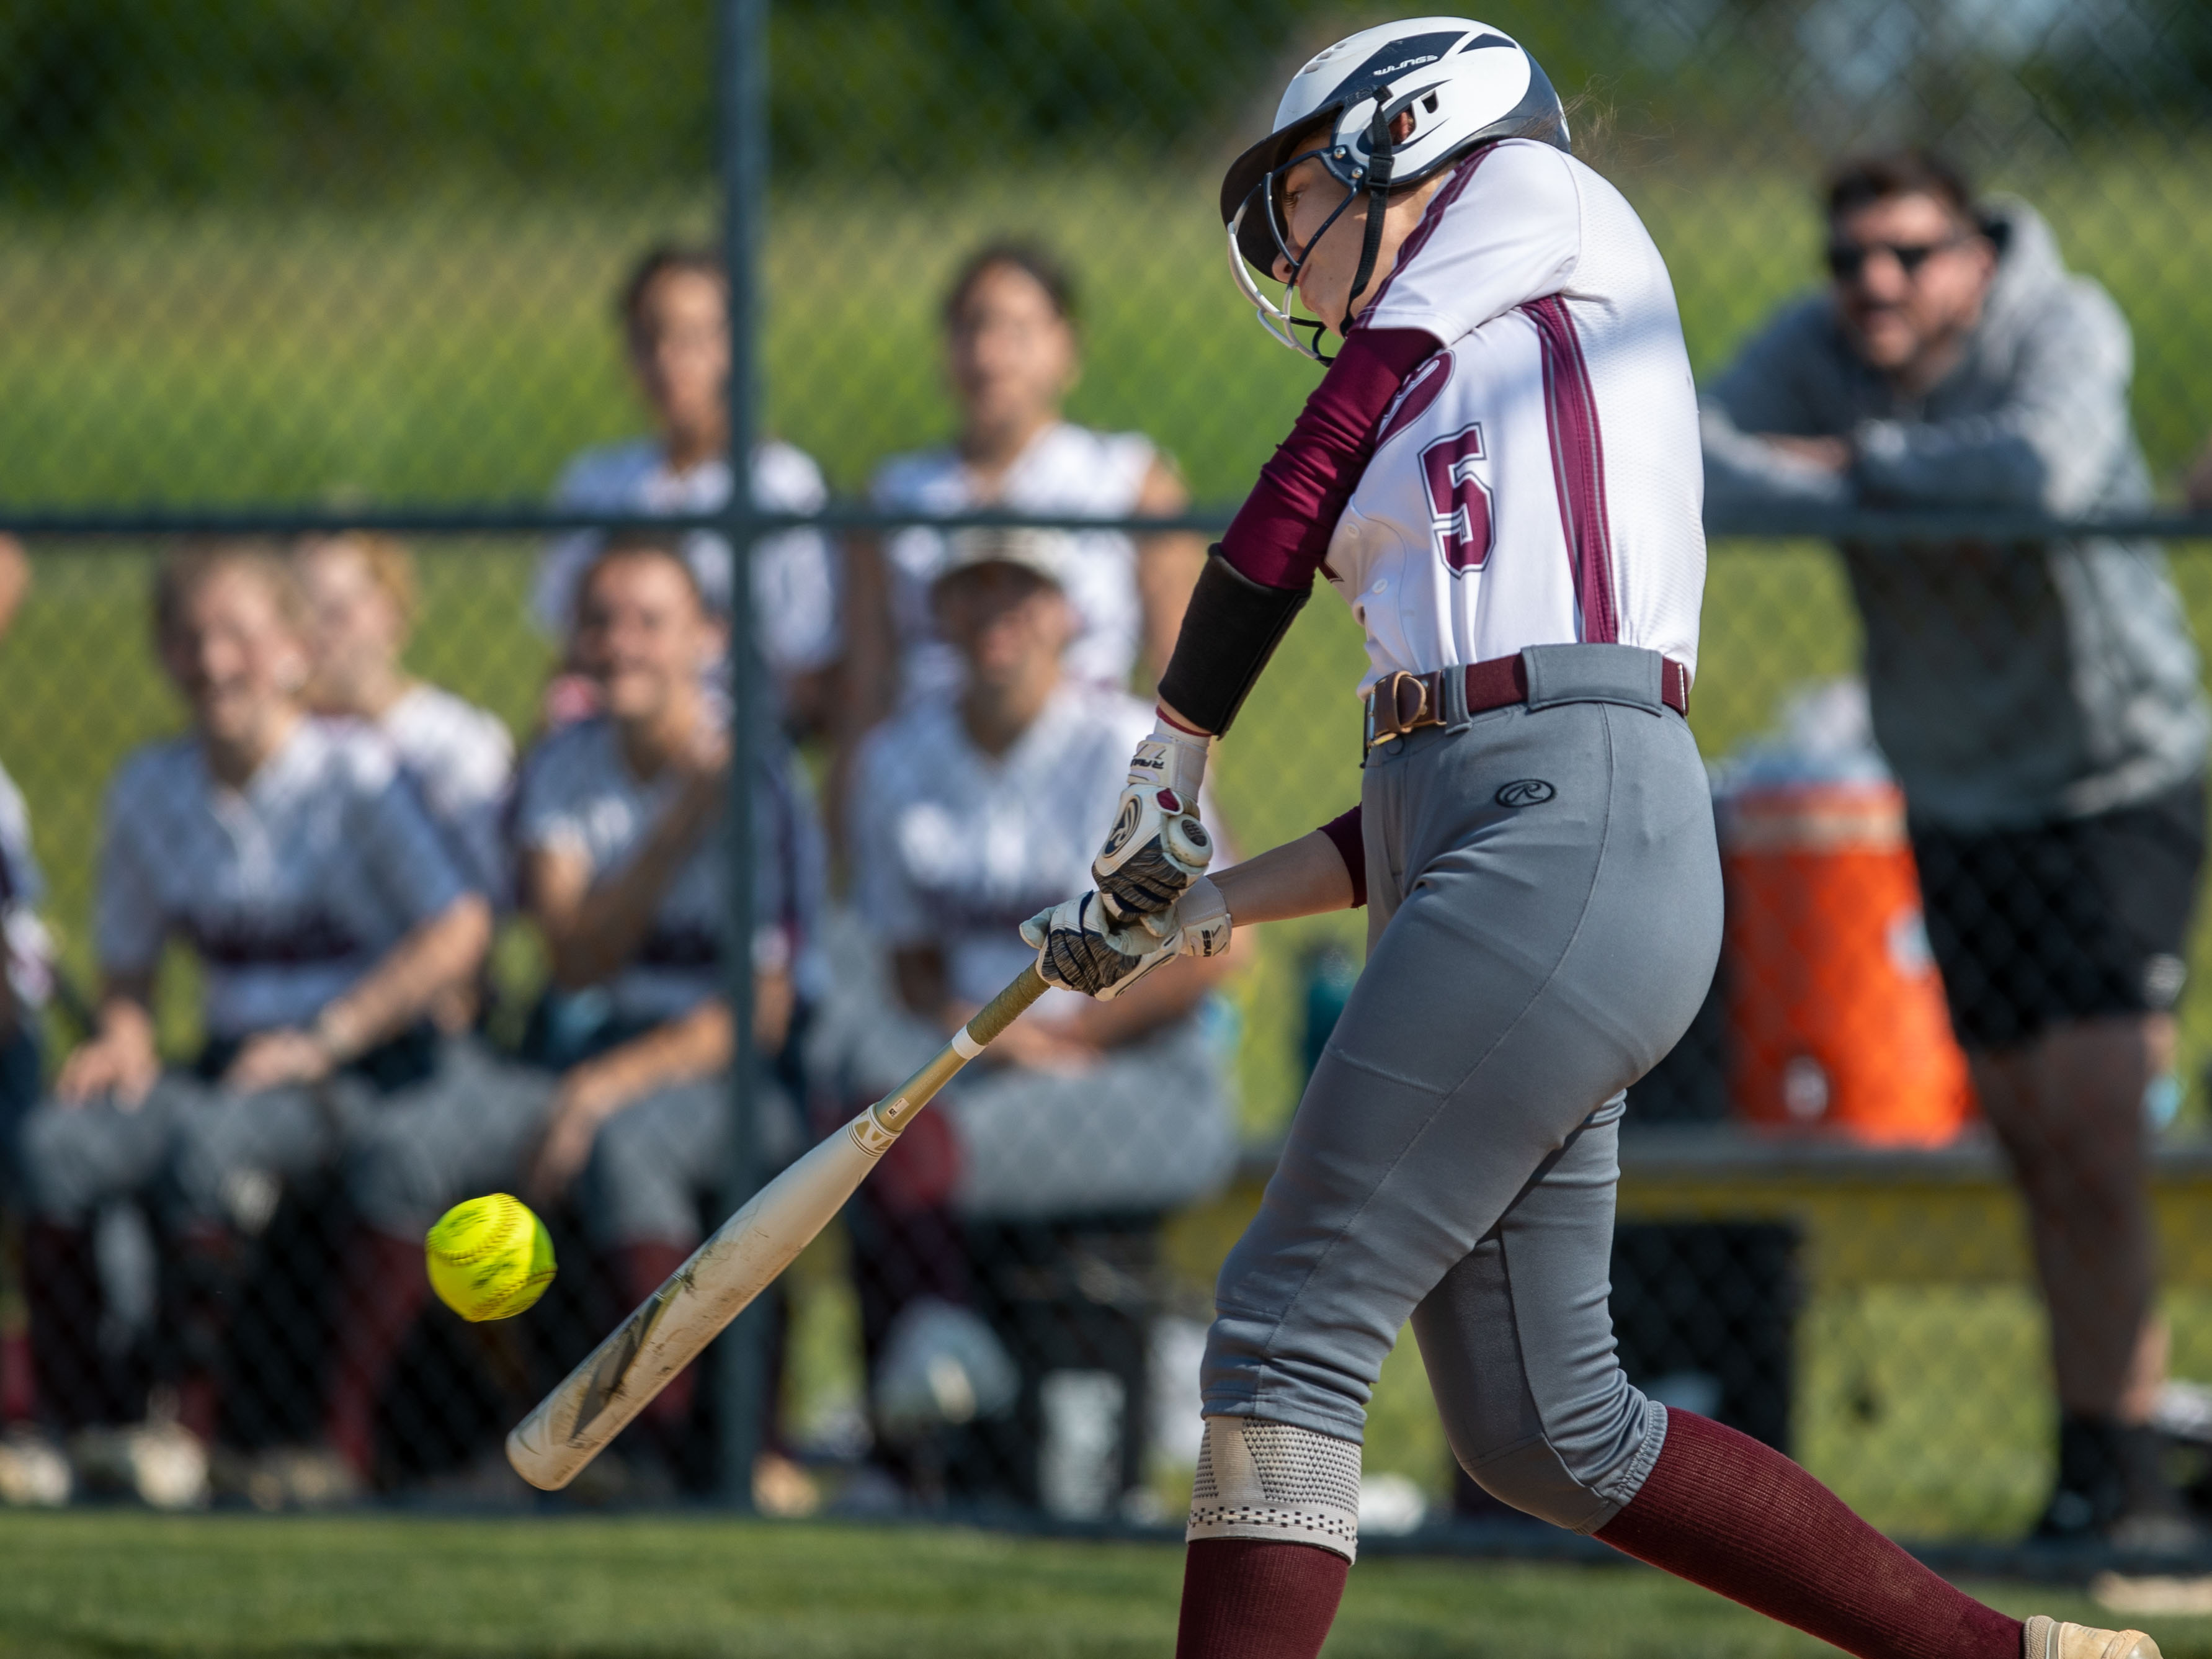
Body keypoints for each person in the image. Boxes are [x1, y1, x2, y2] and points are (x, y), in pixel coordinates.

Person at [1015, 21, 2156, 1659]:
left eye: (1305, 196)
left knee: (1280, 1322)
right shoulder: (1462, 380)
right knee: (1546, 1433)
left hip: (1572, 833)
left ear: (1410, 131)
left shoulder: (1532, 197)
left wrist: (1171, 747)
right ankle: (2010, 1658)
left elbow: (1330, 512)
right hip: (1512, 843)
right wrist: (1202, 902)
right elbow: (1431, 776)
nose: (1285, 247)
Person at [1701, 148, 2209, 1547]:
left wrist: (1858, 469)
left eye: (1909, 254)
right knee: (2032, 1137)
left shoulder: (2063, 321)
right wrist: (1920, 484)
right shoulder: (1817, 347)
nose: (1874, 280)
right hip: (1951, 785)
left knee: (2099, 1120)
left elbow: (2042, 465)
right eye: (1850, 255)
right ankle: (2088, 1461)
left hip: (2112, 775)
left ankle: (2139, 1476)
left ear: (1974, 258)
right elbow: (1692, 463)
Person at [16, 543, 492, 1505]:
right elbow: (131, 974)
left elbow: (460, 928)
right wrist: (122, 1033)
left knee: (209, 1142)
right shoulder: (149, 788)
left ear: (290, 649)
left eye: (237, 635)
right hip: (231, 1063)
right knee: (57, 1146)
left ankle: (188, 1434)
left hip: (353, 1065)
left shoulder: (354, 778)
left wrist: (330, 1033)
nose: (213, 660)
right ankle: (79, 1427)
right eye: (189, 639)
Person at [837, 528, 1236, 1507]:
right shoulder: (897, 756)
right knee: (853, 1106)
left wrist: (1065, 1039)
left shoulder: (1123, 750)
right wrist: (975, 1036)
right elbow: (908, 959)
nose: (995, 621)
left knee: (908, 1146)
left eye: (1021, 597)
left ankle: (914, 1423)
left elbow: (1216, 948)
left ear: (1067, 615)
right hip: (975, 1060)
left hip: (1134, 1071)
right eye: (972, 596)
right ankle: (925, 1426)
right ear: (939, 616)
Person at [514, 534, 823, 1493]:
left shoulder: (764, 781)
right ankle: (455, 1438)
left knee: (631, 1145)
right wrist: (682, 814)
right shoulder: (564, 764)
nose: (620, 644)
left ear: (707, 639)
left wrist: (599, 1092)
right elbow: (573, 957)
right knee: (436, 1141)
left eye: (651, 622)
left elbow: (758, 1016)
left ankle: (664, 1446)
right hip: (592, 1046)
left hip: (732, 1077)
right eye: (599, 621)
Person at [854, 241, 1206, 713]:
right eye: (971, 326)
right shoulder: (892, 497)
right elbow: (865, 692)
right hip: (933, 771)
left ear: (1067, 345)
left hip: (1087, 770)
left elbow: (1186, 684)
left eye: (1017, 331)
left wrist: (1168, 785)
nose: (989, 355)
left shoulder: (1129, 481)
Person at [535, 245, 841, 734]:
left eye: (692, 338)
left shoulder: (781, 485)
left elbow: (804, 671)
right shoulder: (594, 482)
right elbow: (570, 657)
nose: (667, 360)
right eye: (649, 337)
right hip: (616, 744)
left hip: (735, 747)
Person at [295, 532, 515, 908]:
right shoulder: (284, 741)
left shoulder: (457, 740)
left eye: (336, 612)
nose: (316, 634)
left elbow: (490, 891)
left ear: (391, 612)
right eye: (299, 614)